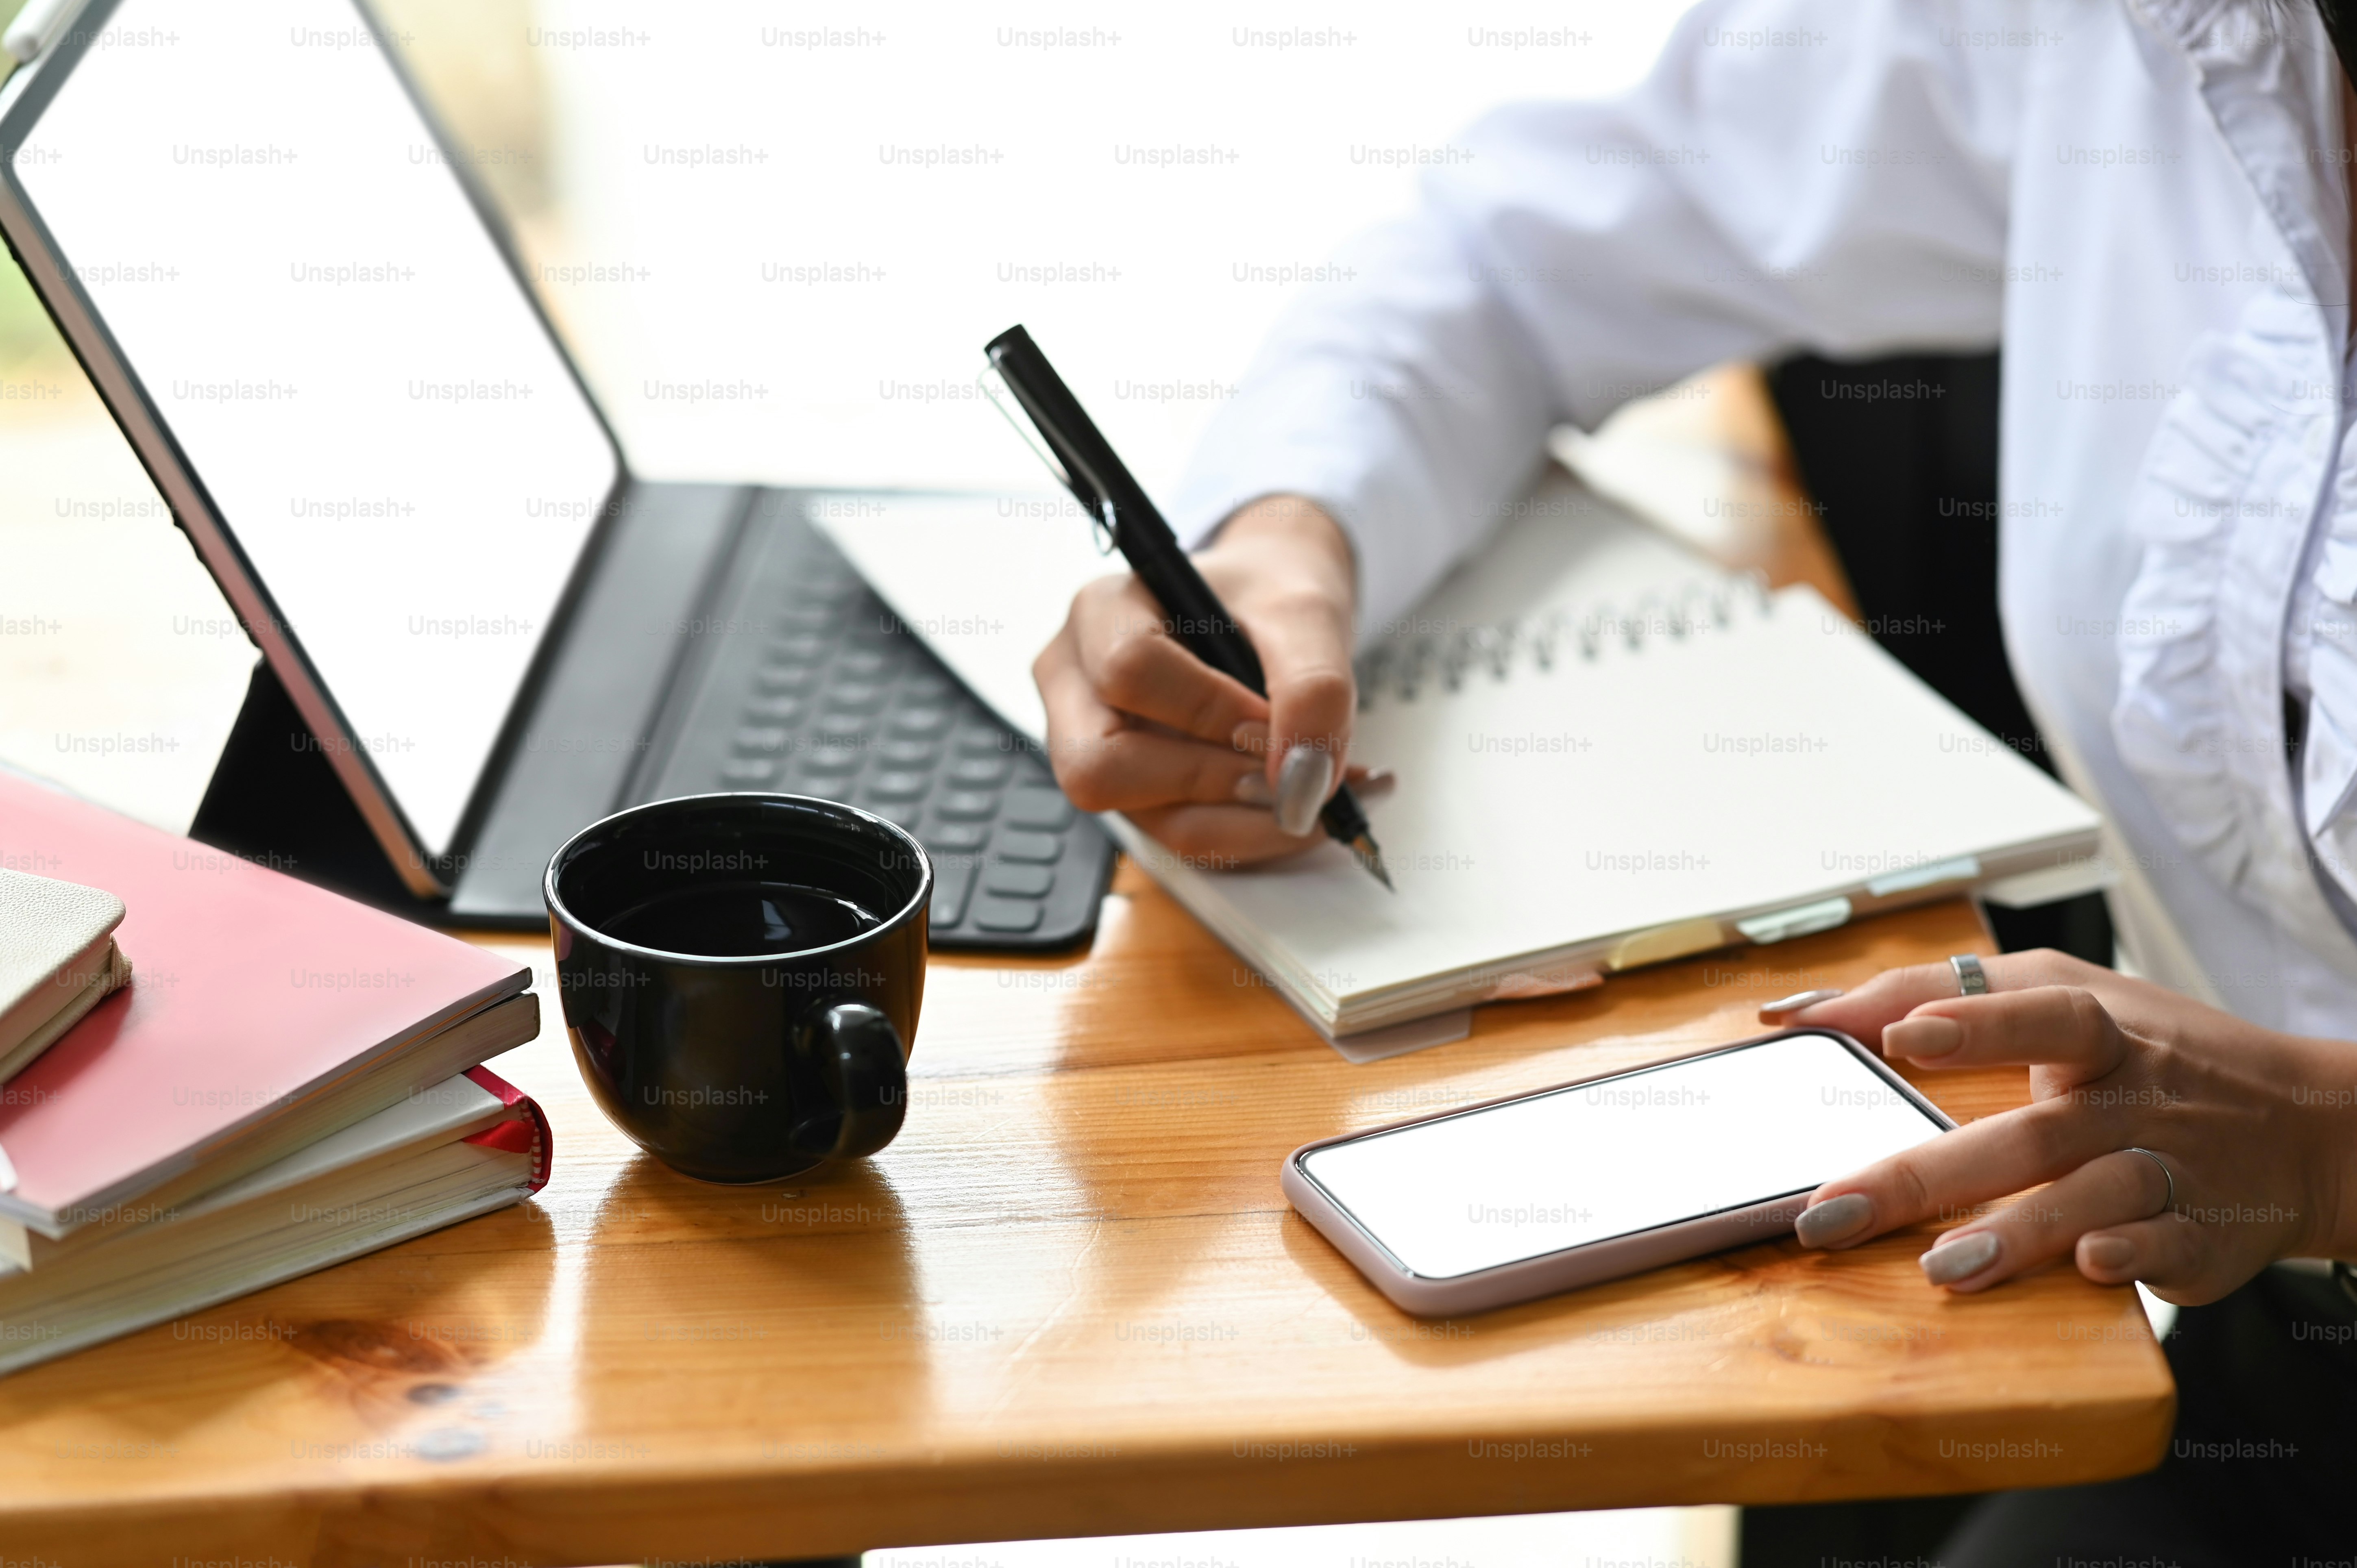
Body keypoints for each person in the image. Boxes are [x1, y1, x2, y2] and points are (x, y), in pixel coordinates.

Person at [1030, 0, 2357, 1557]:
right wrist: (1281, 545)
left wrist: (2322, 1145)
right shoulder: (2132, 34)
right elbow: (1524, 255)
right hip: (2245, 1337)